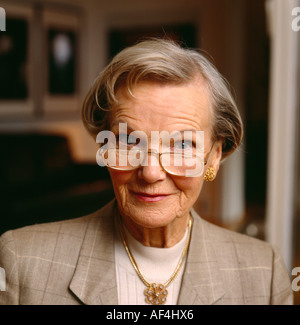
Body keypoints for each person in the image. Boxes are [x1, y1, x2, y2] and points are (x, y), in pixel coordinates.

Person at [0, 38, 293, 305]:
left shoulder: (264, 272)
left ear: (214, 157)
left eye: (181, 144)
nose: (151, 172)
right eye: (128, 140)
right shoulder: (20, 261)